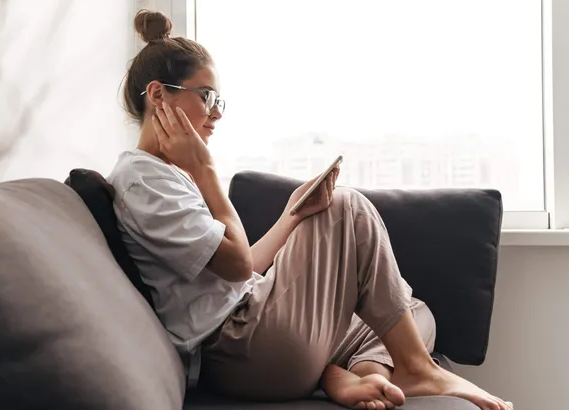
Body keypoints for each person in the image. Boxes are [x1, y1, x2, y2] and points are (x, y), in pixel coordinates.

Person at [107, 9, 513, 410]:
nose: (215, 112)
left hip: (256, 327)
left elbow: (242, 268)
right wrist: (207, 171)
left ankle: (361, 375)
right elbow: (234, 265)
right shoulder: (143, 180)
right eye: (207, 96)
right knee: (347, 206)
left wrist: (293, 215)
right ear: (159, 95)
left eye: (219, 101)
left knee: (411, 310)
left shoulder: (168, 174)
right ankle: (417, 367)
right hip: (239, 350)